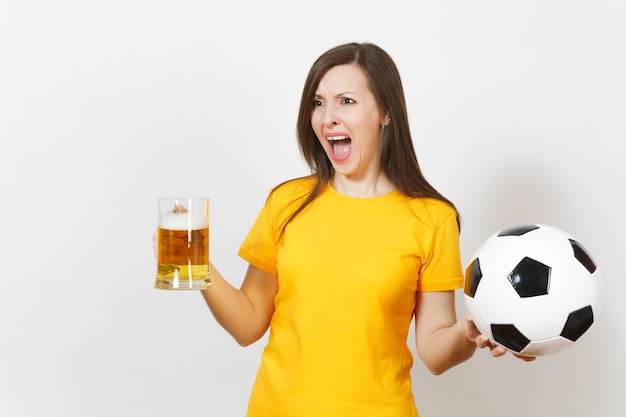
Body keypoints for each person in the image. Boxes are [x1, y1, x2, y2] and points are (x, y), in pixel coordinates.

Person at [194, 42, 531, 416]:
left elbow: (435, 353)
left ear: (386, 112)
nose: (328, 117)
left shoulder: (432, 218)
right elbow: (248, 324)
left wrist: (468, 333)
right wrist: (194, 263)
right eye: (318, 103)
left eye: (346, 101)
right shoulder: (287, 203)